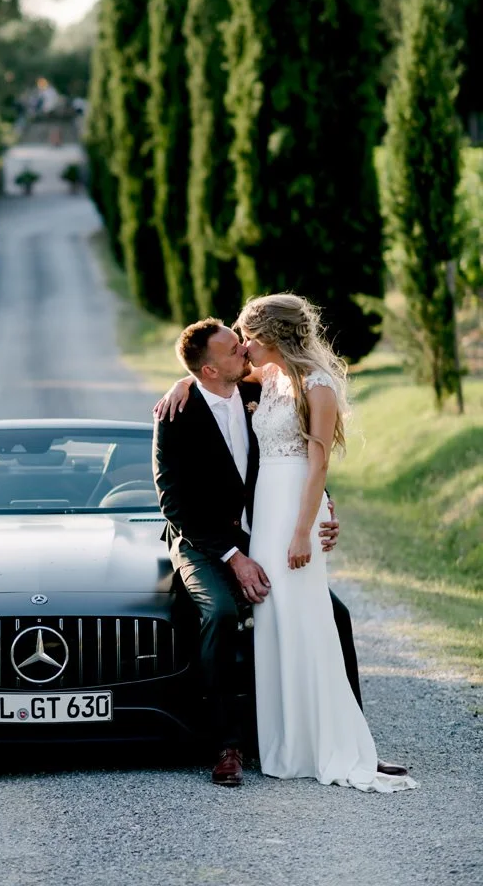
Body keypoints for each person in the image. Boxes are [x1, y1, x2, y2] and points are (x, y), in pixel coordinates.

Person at [154, 302, 417, 791]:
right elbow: (174, 503)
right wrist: (183, 382)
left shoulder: (260, 384)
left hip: (273, 526)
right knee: (222, 614)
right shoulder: (179, 409)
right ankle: (227, 745)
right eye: (234, 347)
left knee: (331, 615)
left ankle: (345, 735)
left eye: (244, 339)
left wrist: (319, 514)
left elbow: (305, 454)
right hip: (206, 543)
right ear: (210, 369)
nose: (243, 347)